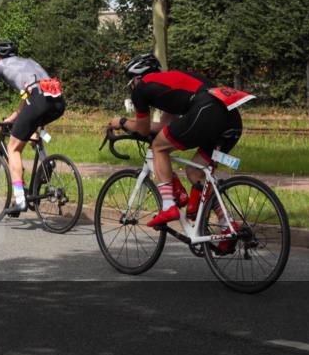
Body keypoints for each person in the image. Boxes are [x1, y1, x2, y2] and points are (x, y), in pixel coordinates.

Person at [107, 54, 254, 251]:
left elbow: (142, 129)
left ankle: (169, 205)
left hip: (206, 110)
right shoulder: (171, 83)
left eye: (131, 82)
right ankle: (227, 225)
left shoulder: (142, 88)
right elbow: (165, 126)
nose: (132, 87)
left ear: (137, 78)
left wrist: (122, 122)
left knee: (159, 147)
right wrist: (136, 125)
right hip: (231, 117)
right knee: (195, 172)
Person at [0, 41, 66, 215]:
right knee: (33, 133)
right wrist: (11, 119)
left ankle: (20, 200)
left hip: (38, 100)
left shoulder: (0, 66)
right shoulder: (29, 62)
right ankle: (46, 164)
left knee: (13, 148)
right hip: (57, 101)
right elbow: (28, 96)